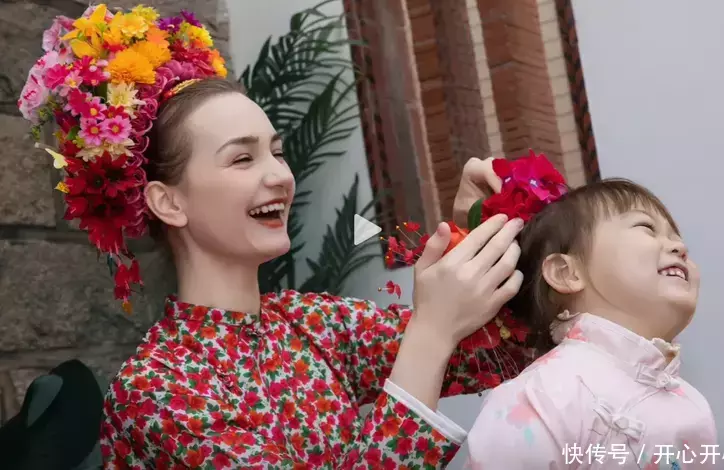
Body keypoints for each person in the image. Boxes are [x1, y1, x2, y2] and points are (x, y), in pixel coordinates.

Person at [18, 5, 528, 469]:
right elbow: (437, 339)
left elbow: (500, 352)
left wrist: (473, 226)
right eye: (243, 158)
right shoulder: (157, 390)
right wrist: (431, 333)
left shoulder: (314, 324)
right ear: (169, 202)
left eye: (277, 152)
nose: (281, 176)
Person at [466, 179, 718, 469]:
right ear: (566, 273)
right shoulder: (542, 396)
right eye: (646, 227)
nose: (680, 247)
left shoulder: (692, 405)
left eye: (677, 237)